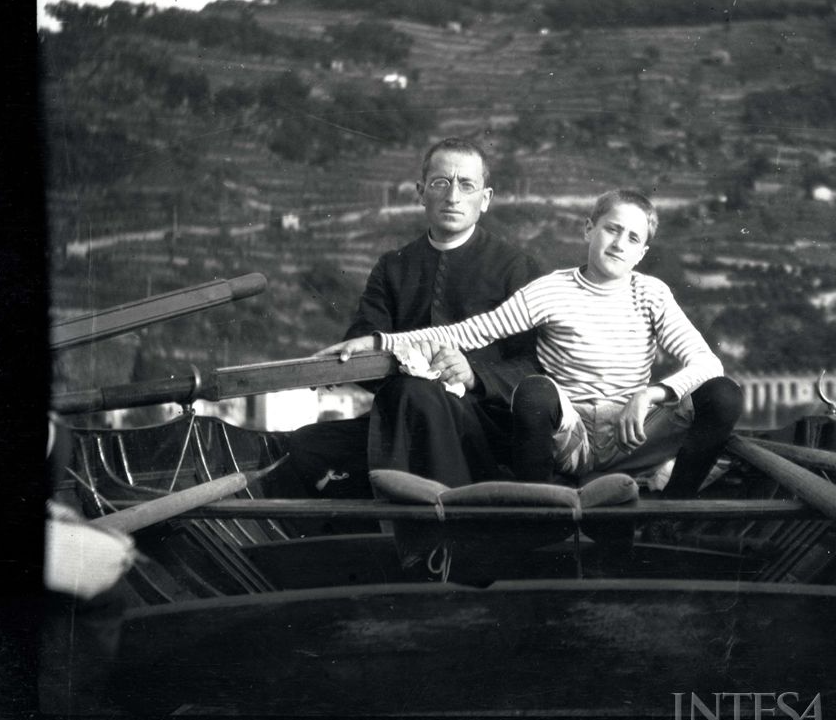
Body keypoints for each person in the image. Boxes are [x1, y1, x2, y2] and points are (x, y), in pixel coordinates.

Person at [325, 189, 742, 498]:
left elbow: (707, 364)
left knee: (722, 395)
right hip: (570, 437)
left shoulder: (651, 294)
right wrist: (378, 341)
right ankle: (542, 511)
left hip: (635, 434)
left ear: (642, 252)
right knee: (535, 393)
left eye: (632, 238)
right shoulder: (549, 291)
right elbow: (466, 332)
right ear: (588, 229)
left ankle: (675, 508)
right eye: (611, 229)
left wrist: (651, 394)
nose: (619, 243)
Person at [277, 138, 542, 503]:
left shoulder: (516, 268)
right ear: (421, 192)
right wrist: (355, 356)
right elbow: (363, 342)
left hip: (480, 424)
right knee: (305, 445)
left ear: (486, 198)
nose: (453, 197)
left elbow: (534, 366)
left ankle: (439, 535)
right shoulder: (394, 266)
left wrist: (473, 375)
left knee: (415, 394)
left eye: (467, 185)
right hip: (400, 417)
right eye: (440, 183)